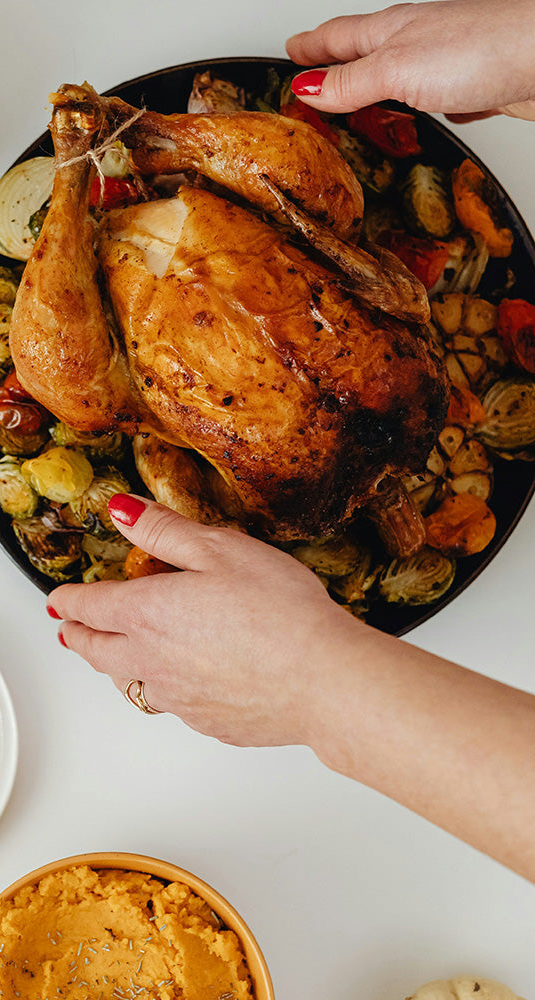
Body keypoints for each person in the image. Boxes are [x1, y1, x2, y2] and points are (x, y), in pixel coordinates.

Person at [45, 0, 535, 885]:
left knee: (83, 399)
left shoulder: (317, 492)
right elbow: (394, 289)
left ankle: (76, 170)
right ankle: (136, 139)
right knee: (333, 203)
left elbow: (393, 293)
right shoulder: (404, 418)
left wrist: (312, 679)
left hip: (150, 329)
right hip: (238, 221)